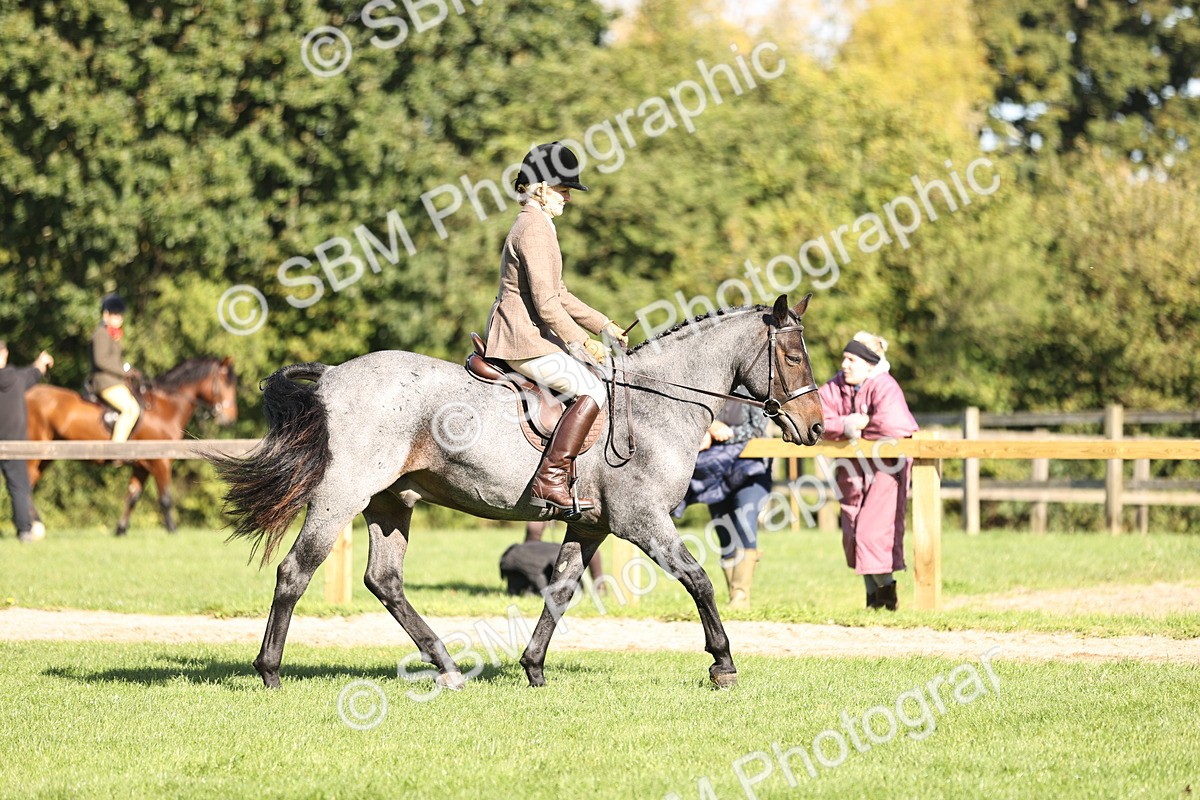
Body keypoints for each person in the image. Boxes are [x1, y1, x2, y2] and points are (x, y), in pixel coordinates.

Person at [484, 142, 628, 515]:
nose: (568, 198)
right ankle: (550, 479)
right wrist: (583, 342)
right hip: (522, 338)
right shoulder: (533, 228)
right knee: (593, 388)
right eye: (564, 190)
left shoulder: (538, 224)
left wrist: (603, 325)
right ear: (544, 188)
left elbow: (558, 292)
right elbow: (547, 304)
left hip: (531, 334)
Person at [818, 331, 918, 611]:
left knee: (872, 534)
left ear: (869, 364)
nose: (844, 364)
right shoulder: (837, 386)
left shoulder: (885, 386)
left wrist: (860, 427)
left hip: (888, 468)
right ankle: (873, 603)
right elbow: (816, 419)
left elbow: (895, 426)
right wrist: (849, 424)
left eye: (851, 359)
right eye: (844, 358)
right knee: (852, 534)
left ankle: (887, 600)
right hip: (852, 468)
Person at [674, 403, 773, 609]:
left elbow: (756, 429)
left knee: (745, 523)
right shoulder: (715, 385)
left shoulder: (752, 390)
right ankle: (734, 597)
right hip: (716, 470)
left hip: (751, 468)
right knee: (723, 532)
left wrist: (725, 433)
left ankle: (741, 597)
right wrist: (711, 427)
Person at [0, 340, 53, 542]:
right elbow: (35, 372)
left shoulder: (18, 376)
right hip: (15, 445)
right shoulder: (17, 378)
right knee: (19, 488)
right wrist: (41, 360)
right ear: (5, 354)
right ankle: (24, 531)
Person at [91, 293, 139, 443]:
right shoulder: (101, 334)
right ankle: (117, 447)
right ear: (106, 315)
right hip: (104, 382)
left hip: (114, 381)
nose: (119, 318)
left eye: (120, 315)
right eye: (115, 314)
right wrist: (123, 371)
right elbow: (101, 360)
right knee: (131, 409)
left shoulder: (113, 335)